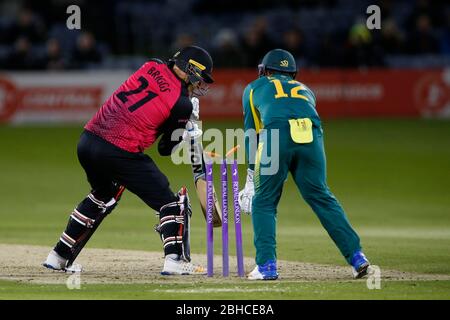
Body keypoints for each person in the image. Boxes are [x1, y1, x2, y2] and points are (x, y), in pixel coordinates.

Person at [43, 45, 214, 275]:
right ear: (191, 69)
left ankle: (58, 256)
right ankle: (174, 261)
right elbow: (165, 149)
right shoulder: (181, 103)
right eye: (201, 77)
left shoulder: (151, 64)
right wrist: (185, 127)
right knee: (170, 203)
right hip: (118, 149)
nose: (201, 84)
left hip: (87, 141)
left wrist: (181, 120)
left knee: (103, 195)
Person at [239, 49, 371, 280]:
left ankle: (266, 266)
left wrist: (251, 178)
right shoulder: (306, 89)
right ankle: (357, 256)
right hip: (311, 134)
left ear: (266, 70)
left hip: (277, 134)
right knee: (321, 196)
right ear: (292, 73)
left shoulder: (252, 88)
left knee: (264, 201)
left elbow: (252, 134)